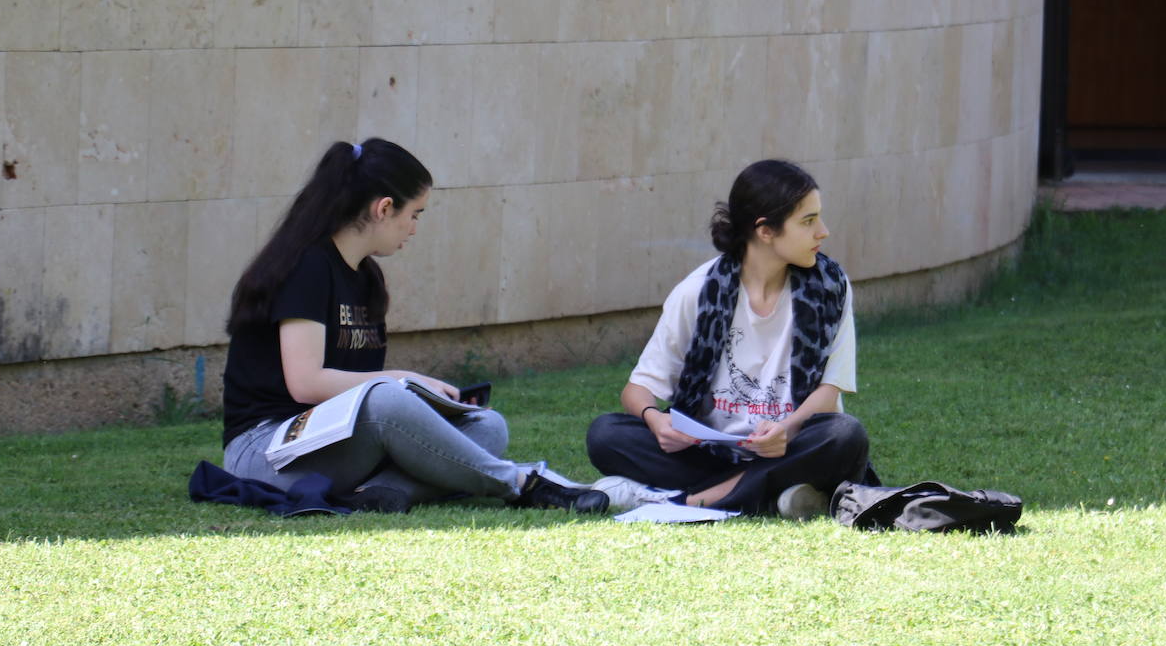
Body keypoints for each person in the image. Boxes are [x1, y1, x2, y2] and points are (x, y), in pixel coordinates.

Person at [221, 137, 607, 514]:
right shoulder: (308, 267)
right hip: (267, 450)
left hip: (337, 441)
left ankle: (381, 493)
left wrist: (424, 401)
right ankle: (523, 485)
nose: (415, 228)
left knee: (486, 426)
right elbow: (305, 383)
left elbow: (359, 396)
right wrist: (402, 380)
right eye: (415, 214)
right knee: (388, 398)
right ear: (384, 208)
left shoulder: (366, 277)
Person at [585, 159, 875, 518]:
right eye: (808, 221)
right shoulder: (696, 292)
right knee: (605, 434)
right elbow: (637, 391)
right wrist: (655, 420)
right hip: (709, 454)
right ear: (765, 230)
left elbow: (829, 393)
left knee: (844, 437)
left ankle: (687, 501)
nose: (823, 232)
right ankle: (772, 495)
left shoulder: (831, 287)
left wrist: (785, 429)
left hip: (791, 444)